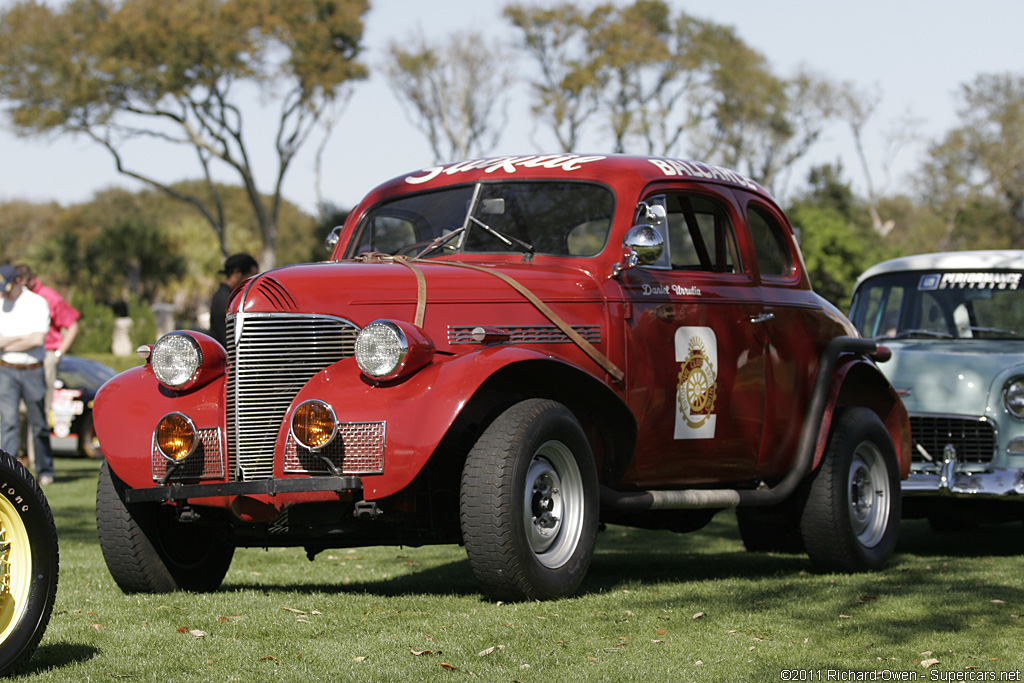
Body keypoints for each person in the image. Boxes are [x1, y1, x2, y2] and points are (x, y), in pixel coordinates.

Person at [0, 264, 54, 485]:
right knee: (8, 422)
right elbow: (27, 339)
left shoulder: (36, 303)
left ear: (20, 281)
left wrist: (7, 342)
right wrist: (22, 339)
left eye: (8, 287)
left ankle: (45, 470)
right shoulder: (1, 301)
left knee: (39, 422)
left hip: (32, 369)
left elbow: (37, 340)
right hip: (6, 369)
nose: (4, 291)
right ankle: (7, 472)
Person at [17, 264, 80, 427]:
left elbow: (73, 326)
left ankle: (35, 453)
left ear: (31, 279)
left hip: (45, 354)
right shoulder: (13, 296)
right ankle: (17, 451)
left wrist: (57, 354)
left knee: (39, 407)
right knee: (17, 408)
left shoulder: (49, 297)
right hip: (18, 355)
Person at [210, 253, 259, 348]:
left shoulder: (225, 296)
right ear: (237, 273)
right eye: (251, 277)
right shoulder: (227, 301)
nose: (252, 283)